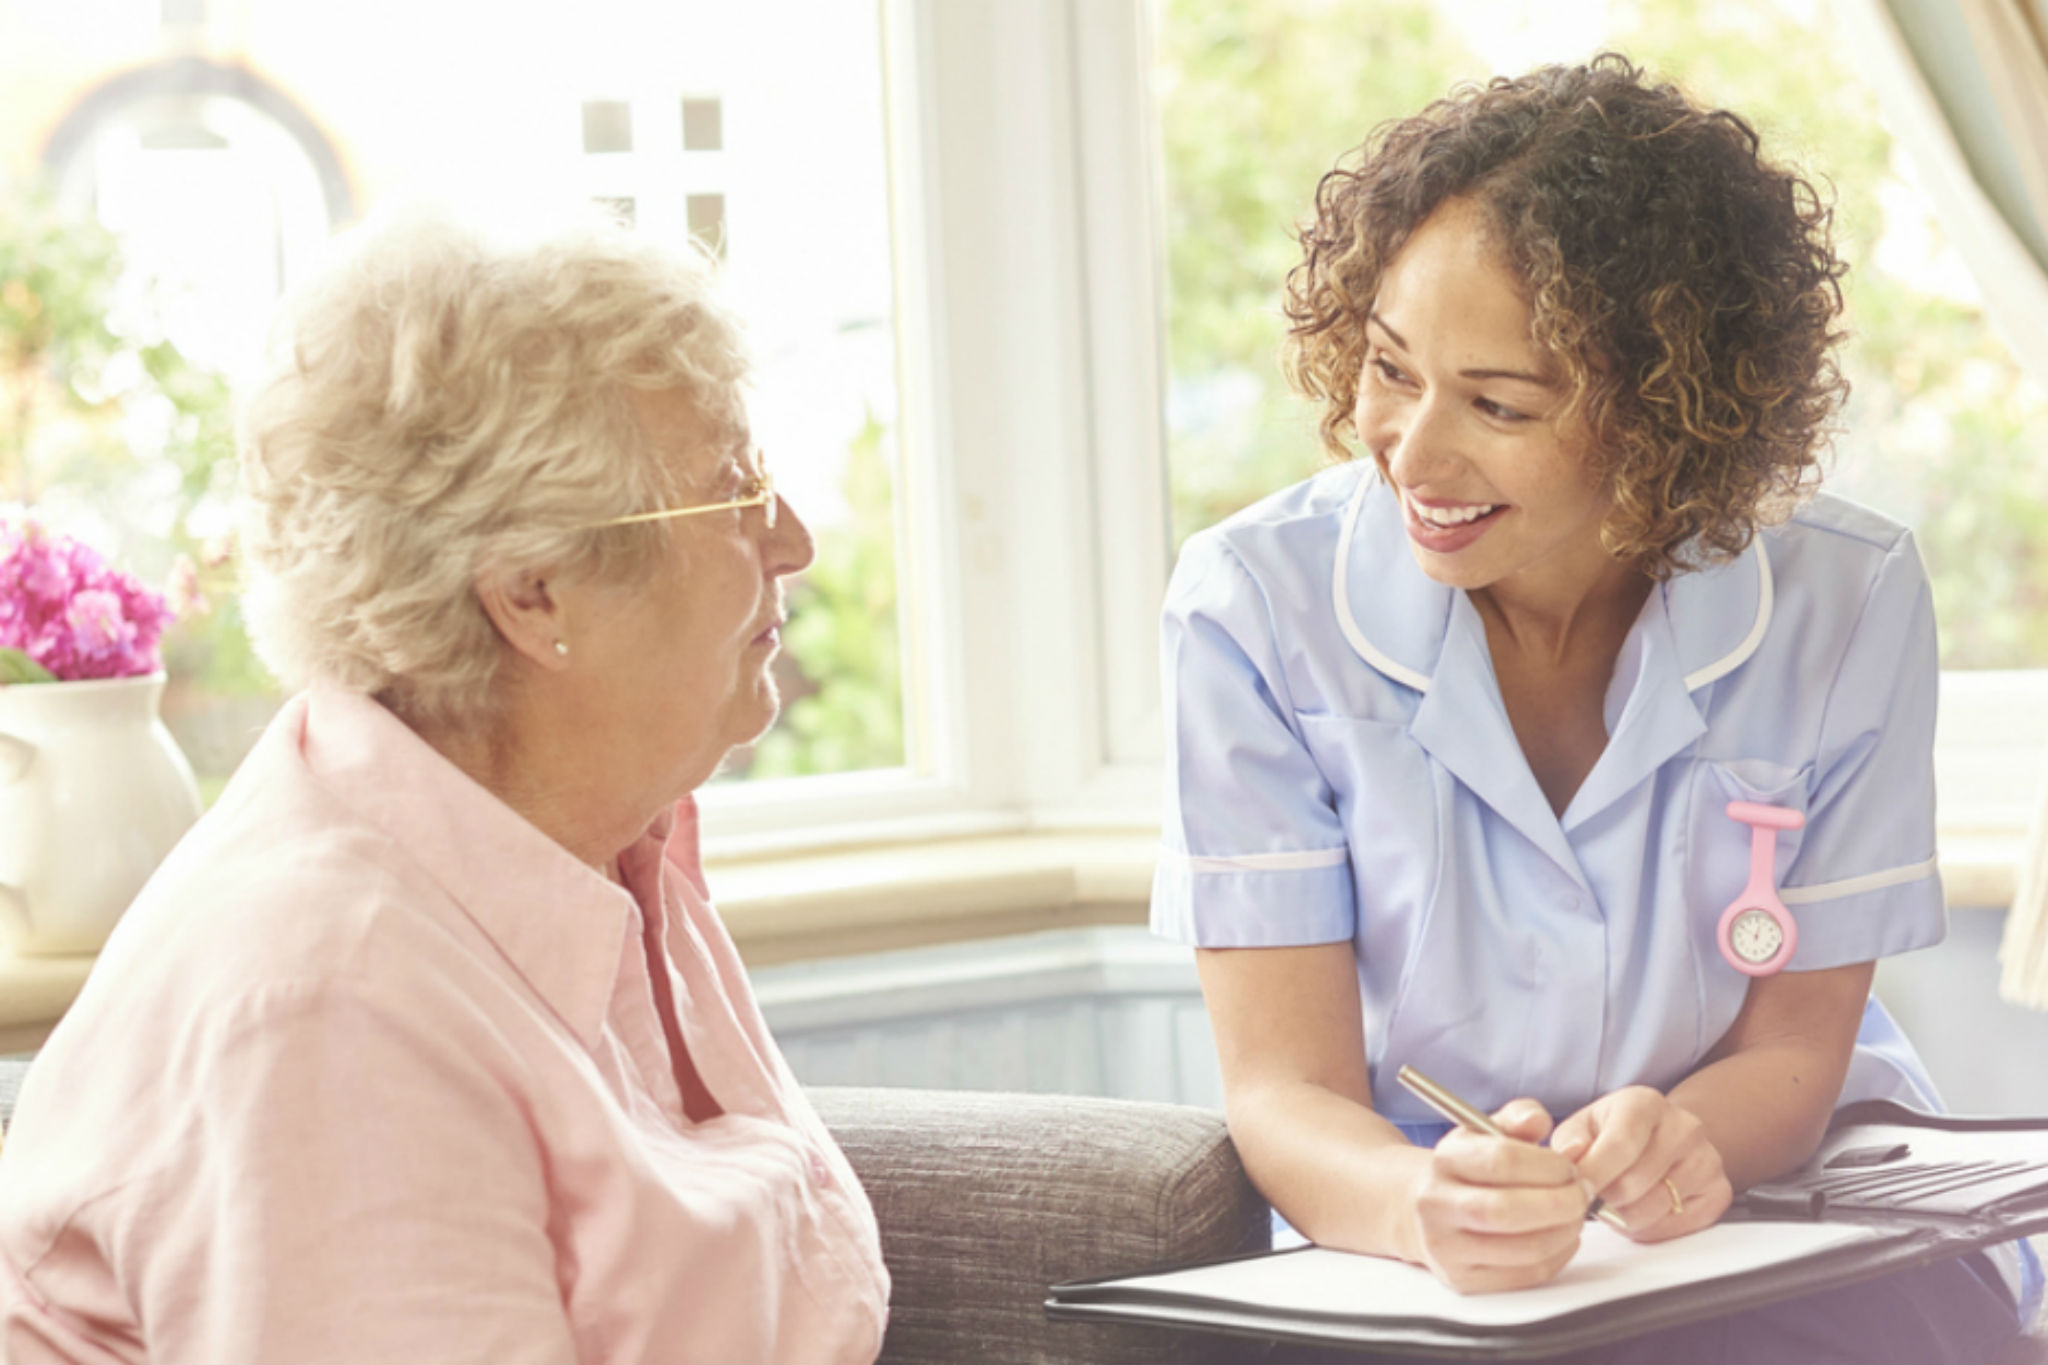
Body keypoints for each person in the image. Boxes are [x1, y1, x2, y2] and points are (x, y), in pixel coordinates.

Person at [1153, 55, 2035, 1363]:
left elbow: (1797, 1053)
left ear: (1668, 417)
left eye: (1500, 403)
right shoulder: (1250, 610)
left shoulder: (1844, 601)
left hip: (1779, 1210)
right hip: (1414, 1246)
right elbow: (1285, 1091)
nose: (1413, 450)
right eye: (1391, 370)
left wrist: (1695, 1138)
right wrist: (1423, 1203)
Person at [0, 209, 889, 1363]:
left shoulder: (594, 836)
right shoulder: (328, 1001)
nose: (794, 540)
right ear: (532, 593)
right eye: (733, 489)